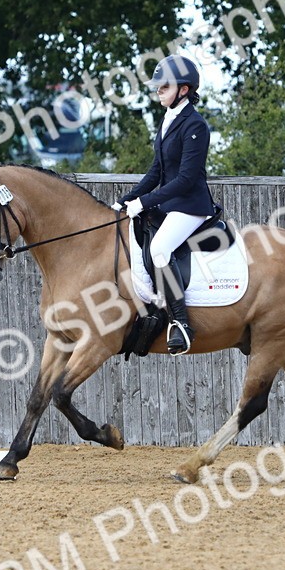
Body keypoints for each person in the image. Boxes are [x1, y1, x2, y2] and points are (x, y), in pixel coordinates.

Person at [113, 54, 217, 356]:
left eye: (163, 87)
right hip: (171, 203)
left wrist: (145, 201)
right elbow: (156, 172)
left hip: (191, 206)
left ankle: (181, 323)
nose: (158, 91)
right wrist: (126, 200)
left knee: (160, 249)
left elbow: (185, 178)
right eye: (157, 87)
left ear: (184, 89)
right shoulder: (168, 120)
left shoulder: (195, 125)